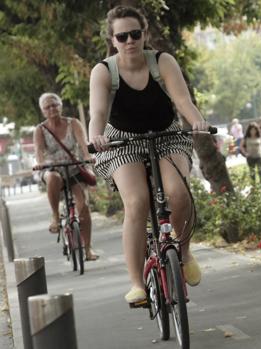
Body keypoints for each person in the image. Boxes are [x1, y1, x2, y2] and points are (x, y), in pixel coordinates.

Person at [88, 5, 211, 304]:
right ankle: (137, 284)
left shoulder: (162, 61)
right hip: (121, 141)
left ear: (144, 34)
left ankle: (182, 253)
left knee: (178, 193)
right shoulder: (104, 71)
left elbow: (182, 99)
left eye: (135, 34)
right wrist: (96, 136)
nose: (130, 41)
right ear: (113, 39)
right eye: (122, 36)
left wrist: (196, 121)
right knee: (137, 201)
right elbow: (98, 112)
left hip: (166, 135)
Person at [33, 92, 98, 261]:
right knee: (53, 177)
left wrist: (87, 157)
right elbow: (39, 151)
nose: (52, 108)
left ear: (60, 106)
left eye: (55, 104)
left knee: (83, 207)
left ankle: (88, 249)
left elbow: (84, 144)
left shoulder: (73, 123)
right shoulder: (40, 130)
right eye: (47, 107)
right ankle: (55, 216)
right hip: (52, 168)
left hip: (74, 168)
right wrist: (40, 163)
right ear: (43, 111)